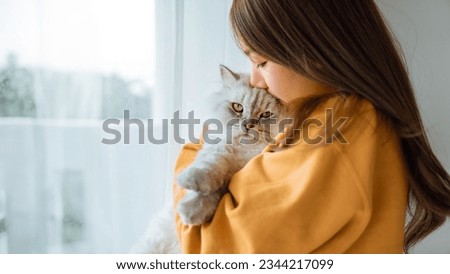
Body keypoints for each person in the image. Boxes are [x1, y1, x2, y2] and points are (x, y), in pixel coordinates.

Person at [173, 0, 450, 253]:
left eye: (261, 62)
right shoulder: (342, 118)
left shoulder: (339, 127)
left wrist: (195, 152)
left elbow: (209, 247)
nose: (255, 80)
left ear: (312, 50)